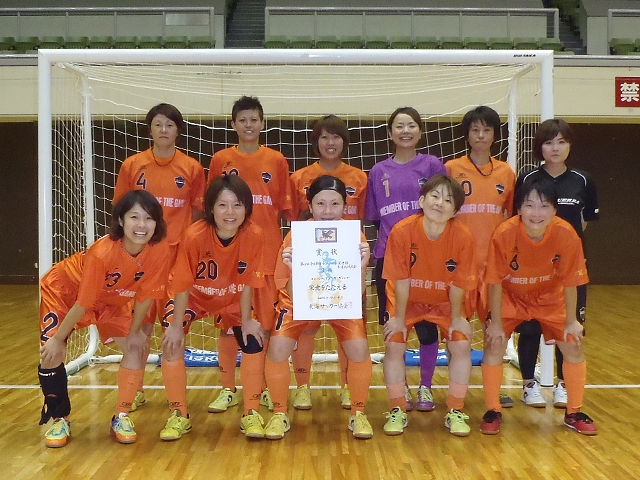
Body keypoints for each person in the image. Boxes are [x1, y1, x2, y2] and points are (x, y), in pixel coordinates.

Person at [38, 190, 169, 448]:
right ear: (121, 220)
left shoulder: (159, 250)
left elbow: (147, 296)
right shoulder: (102, 253)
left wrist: (135, 331)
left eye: (149, 218)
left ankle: (121, 416)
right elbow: (83, 303)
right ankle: (60, 419)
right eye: (134, 217)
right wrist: (58, 339)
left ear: (157, 223)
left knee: (136, 347)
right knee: (51, 354)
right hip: (66, 292)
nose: (142, 225)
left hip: (111, 299)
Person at [480, 176, 597, 436]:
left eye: (544, 206)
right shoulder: (504, 233)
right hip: (510, 296)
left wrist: (571, 321)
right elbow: (495, 282)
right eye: (530, 205)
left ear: (554, 209)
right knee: (494, 343)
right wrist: (496, 324)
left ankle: (574, 411)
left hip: (549, 297)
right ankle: (492, 410)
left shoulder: (566, 234)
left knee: (573, 343)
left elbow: (571, 281)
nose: (536, 213)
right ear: (519, 209)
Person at [263, 175, 373, 440]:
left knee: (359, 348)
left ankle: (358, 413)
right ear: (310, 206)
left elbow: (357, 292)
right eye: (320, 204)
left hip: (340, 301)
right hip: (298, 300)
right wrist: (293, 268)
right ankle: (280, 412)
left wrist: (361, 266)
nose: (327, 211)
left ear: (344, 206)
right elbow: (289, 291)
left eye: (335, 204)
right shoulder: (296, 236)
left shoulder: (354, 236)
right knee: (278, 347)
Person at [160, 175, 268, 440]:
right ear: (210, 208)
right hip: (193, 297)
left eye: (237, 205)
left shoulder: (255, 235)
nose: (230, 212)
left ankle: (251, 412)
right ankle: (179, 414)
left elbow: (248, 282)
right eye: (222, 205)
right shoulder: (194, 235)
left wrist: (247, 320)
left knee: (253, 339)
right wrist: (176, 326)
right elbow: (182, 284)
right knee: (172, 343)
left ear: (247, 208)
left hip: (231, 297)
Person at [113, 103, 205, 410]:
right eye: (158, 124)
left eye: (169, 125)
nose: (163, 130)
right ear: (149, 129)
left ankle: (177, 403)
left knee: (173, 330)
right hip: (140, 260)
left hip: (176, 261)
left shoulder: (191, 168)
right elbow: (120, 211)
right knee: (139, 325)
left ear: (178, 130)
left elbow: (197, 213)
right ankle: (135, 389)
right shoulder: (132, 165)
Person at [206, 95, 292, 415]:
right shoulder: (221, 159)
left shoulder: (277, 160)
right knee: (229, 324)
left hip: (267, 255)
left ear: (263, 123)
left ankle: (264, 388)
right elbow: (211, 208)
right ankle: (228, 388)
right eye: (242, 119)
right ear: (233, 124)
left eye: (254, 119)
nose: (248, 125)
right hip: (230, 256)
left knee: (265, 324)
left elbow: (283, 209)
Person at [382, 175, 477, 436]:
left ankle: (455, 410)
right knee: (394, 343)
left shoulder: (463, 237)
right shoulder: (402, 231)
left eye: (448, 200)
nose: (439, 203)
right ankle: (397, 408)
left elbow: (459, 283)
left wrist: (456, 319)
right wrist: (398, 318)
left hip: (445, 302)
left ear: (455, 211)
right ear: (422, 200)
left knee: (460, 344)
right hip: (407, 299)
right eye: (435, 196)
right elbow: (401, 280)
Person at [365, 107, 446, 412]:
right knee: (395, 330)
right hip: (389, 258)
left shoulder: (432, 165)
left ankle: (426, 385)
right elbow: (375, 217)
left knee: (427, 327)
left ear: (420, 131)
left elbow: (445, 208)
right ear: (390, 133)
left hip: (428, 259)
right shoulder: (378, 171)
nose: (405, 131)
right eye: (399, 126)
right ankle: (401, 390)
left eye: (411, 125)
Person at [514, 119, 599, 409]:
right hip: (531, 268)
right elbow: (518, 219)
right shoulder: (528, 178)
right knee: (530, 328)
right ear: (540, 146)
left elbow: (584, 222)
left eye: (561, 142)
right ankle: (529, 384)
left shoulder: (583, 180)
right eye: (549, 142)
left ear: (570, 146)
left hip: (569, 269)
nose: (555, 148)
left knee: (569, 327)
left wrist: (565, 251)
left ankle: (564, 384)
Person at [286, 114, 368, 411]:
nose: (330, 142)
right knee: (306, 328)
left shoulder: (360, 177)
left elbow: (362, 218)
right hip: (312, 264)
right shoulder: (299, 177)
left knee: (348, 329)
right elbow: (296, 219)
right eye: (324, 137)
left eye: (335, 136)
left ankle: (348, 387)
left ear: (344, 141)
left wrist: (357, 261)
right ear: (315, 141)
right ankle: (302, 387)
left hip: (346, 264)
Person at [445, 106, 516, 408]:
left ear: (495, 135)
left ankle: (493, 390)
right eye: (475, 130)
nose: (481, 135)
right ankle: (455, 392)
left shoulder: (506, 173)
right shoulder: (451, 169)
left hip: (493, 270)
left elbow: (512, 219)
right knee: (457, 333)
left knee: (493, 334)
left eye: (486, 130)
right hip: (459, 267)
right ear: (467, 135)